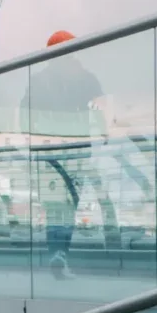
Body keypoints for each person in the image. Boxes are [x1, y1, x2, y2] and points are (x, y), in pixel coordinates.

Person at [26, 31, 106, 280]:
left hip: (48, 150)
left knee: (55, 206)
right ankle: (60, 253)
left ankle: (57, 252)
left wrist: (30, 140)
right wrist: (103, 132)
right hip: (76, 149)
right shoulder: (85, 77)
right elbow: (101, 107)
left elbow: (23, 113)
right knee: (69, 204)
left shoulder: (38, 80)